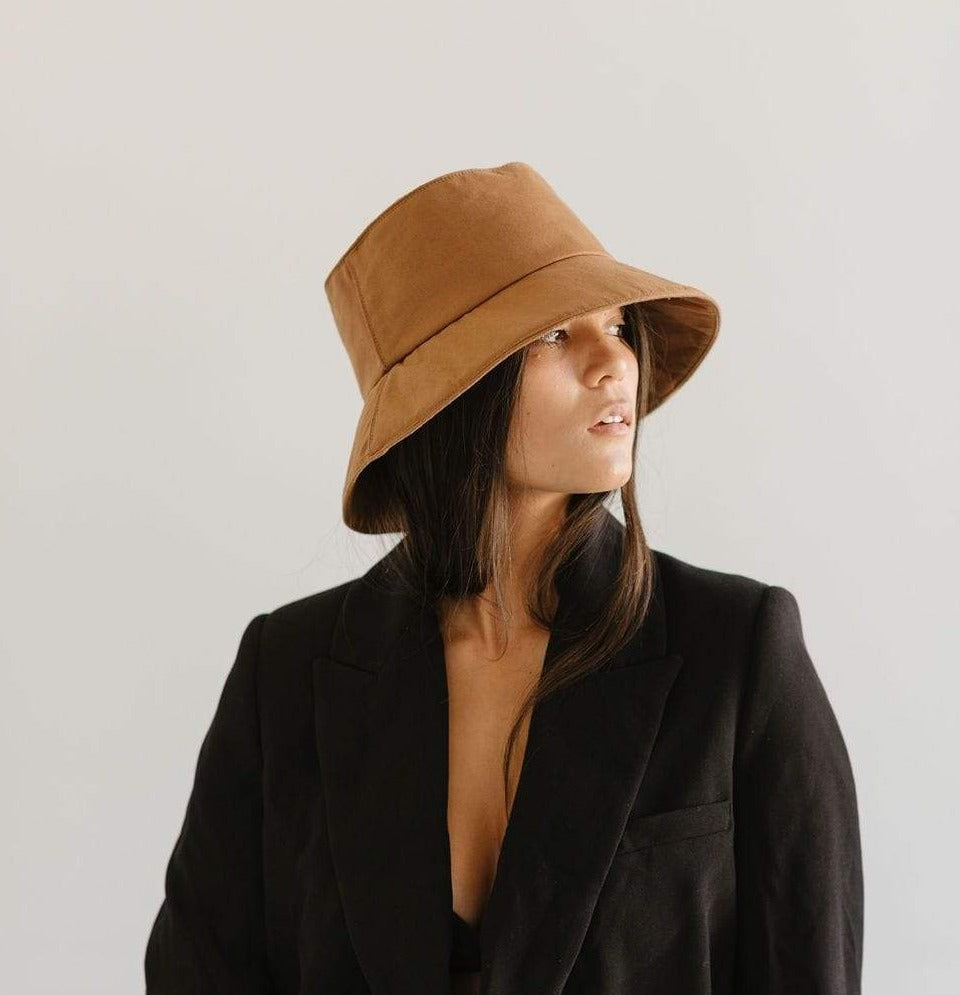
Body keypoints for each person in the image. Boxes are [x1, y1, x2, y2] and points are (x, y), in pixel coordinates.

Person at [145, 161, 863, 994]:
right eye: (556, 334)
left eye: (616, 326)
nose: (615, 364)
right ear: (450, 395)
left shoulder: (734, 650)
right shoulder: (288, 671)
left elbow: (808, 966)